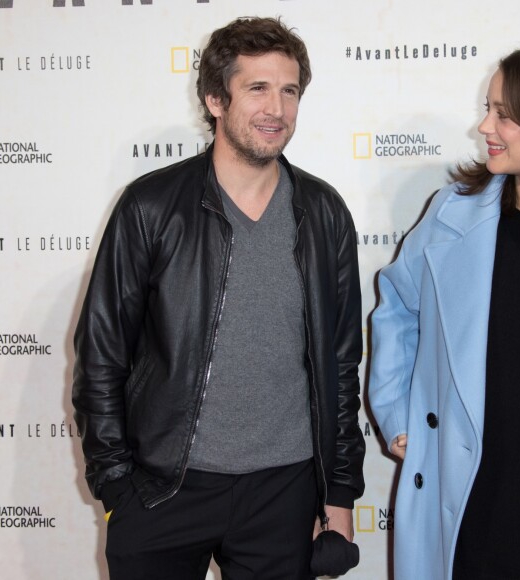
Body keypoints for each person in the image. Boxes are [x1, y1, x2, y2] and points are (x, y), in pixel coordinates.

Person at [72, 16, 365, 580]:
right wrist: (115, 486)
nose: (276, 109)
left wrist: (340, 494)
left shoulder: (324, 213)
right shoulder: (150, 207)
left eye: (289, 91)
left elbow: (341, 366)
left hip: (285, 490)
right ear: (214, 98)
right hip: (163, 489)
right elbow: (101, 357)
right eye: (257, 88)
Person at [369, 45, 520, 580]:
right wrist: (395, 410)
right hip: (476, 490)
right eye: (488, 107)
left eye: (505, 113)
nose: (484, 126)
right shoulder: (453, 215)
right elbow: (397, 308)